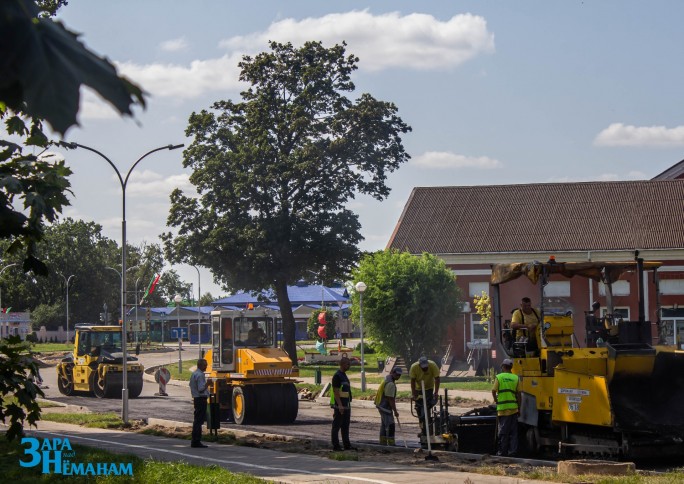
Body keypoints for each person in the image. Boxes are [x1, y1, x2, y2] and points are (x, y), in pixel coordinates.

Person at [492, 358, 521, 457]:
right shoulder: (516, 378)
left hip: (503, 409)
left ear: (503, 367)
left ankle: (502, 453)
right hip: (514, 409)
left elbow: (493, 390)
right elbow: (519, 394)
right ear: (511, 367)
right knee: (513, 433)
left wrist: (496, 401)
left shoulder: (499, 377)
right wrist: (519, 408)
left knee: (503, 432)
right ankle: (512, 452)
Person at [330, 356, 356, 451]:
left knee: (345, 426)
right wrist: (340, 405)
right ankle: (336, 446)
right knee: (336, 426)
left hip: (346, 405)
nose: (349, 366)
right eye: (347, 364)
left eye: (349, 364)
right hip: (339, 405)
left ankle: (347, 445)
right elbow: (336, 391)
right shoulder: (337, 376)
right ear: (342, 364)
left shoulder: (344, 375)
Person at [409, 356, 441, 430]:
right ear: (419, 365)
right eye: (423, 368)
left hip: (429, 388)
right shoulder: (414, 367)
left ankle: (428, 423)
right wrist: (414, 394)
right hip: (418, 389)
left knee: (427, 404)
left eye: (426, 367)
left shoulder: (432, 365)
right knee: (419, 406)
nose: (425, 369)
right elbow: (412, 381)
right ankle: (422, 424)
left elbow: (437, 379)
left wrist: (436, 392)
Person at [189, 358, 213, 448]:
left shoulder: (194, 374)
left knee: (197, 420)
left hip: (196, 399)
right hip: (200, 399)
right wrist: (208, 384)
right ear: (201, 365)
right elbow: (201, 389)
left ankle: (195, 440)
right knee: (199, 421)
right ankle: (196, 441)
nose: (206, 366)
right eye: (205, 365)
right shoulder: (200, 375)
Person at [376, 366, 402, 445]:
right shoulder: (390, 384)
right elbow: (390, 399)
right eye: (397, 374)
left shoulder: (387, 378)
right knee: (391, 425)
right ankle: (391, 444)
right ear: (392, 373)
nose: (398, 376)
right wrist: (395, 411)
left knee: (384, 425)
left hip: (380, 405)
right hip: (385, 407)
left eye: (399, 375)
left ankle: (383, 443)